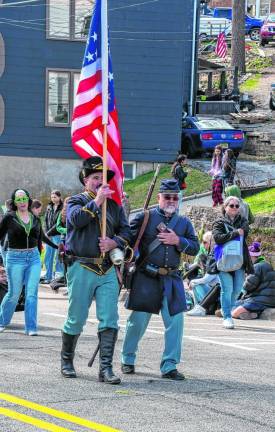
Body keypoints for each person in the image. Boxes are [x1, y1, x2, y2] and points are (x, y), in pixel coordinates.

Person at [61, 157, 131, 385]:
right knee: (76, 318)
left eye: (102, 179)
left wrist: (114, 242)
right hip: (81, 266)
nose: (99, 182)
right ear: (85, 180)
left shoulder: (115, 206)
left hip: (107, 269)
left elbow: (126, 232)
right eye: (94, 178)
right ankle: (67, 361)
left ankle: (106, 369)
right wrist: (96, 201)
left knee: (110, 317)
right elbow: (75, 220)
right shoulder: (75, 201)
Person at [121, 179, 199, 380]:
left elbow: (195, 247)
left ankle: (169, 365)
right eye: (167, 197)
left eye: (174, 197)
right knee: (137, 322)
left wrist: (178, 241)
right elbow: (126, 238)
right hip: (146, 276)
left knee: (176, 322)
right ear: (159, 198)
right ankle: (127, 359)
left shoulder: (183, 223)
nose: (171, 200)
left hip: (171, 278)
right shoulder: (145, 217)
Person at [0, 189, 57, 335]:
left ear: (28, 200)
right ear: (14, 202)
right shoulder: (9, 217)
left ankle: (31, 327)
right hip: (14, 257)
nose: (22, 201)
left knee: (31, 293)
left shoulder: (35, 218)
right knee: (14, 293)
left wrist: (58, 247)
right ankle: (2, 321)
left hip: (33, 258)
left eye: (24, 198)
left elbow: (42, 237)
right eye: (18, 199)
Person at [212, 196, 253, 329]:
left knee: (236, 290)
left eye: (237, 206)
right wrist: (235, 233)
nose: (235, 208)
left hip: (239, 260)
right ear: (225, 207)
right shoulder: (218, 222)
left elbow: (245, 232)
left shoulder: (243, 221)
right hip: (223, 260)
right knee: (227, 289)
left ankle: (226, 308)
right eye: (232, 205)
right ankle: (227, 317)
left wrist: (237, 232)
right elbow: (218, 238)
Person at [232, 242, 275, 320]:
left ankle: (251, 313)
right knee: (234, 305)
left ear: (251, 256)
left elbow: (248, 286)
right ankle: (253, 313)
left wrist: (244, 279)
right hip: (266, 299)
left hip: (261, 299)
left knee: (234, 313)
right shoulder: (266, 264)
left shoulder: (256, 267)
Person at [41, 190, 63, 284]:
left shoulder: (62, 208)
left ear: (59, 197)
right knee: (48, 256)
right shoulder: (49, 207)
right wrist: (46, 233)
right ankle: (48, 275)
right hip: (49, 235)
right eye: (52, 197)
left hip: (57, 235)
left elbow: (59, 223)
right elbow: (45, 220)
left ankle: (58, 276)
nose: (53, 199)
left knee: (57, 256)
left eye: (55, 197)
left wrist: (48, 233)